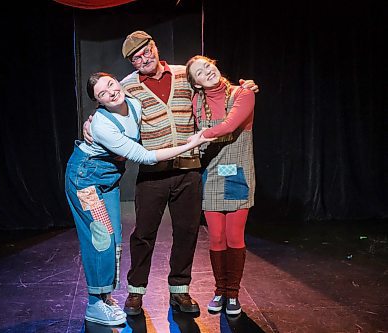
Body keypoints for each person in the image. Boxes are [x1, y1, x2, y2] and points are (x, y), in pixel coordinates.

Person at [83, 30, 258, 316]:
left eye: (146, 50)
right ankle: (136, 291)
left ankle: (180, 290)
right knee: (144, 235)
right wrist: (90, 123)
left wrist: (245, 86)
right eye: (136, 57)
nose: (144, 58)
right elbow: (109, 108)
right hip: (153, 173)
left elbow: (215, 89)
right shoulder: (126, 86)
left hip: (189, 170)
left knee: (187, 232)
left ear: (155, 47)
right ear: (131, 62)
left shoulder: (183, 75)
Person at [65, 72, 213, 326]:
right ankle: (94, 303)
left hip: (108, 180)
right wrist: (190, 145)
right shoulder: (101, 124)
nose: (111, 92)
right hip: (86, 180)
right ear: (99, 102)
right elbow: (144, 156)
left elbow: (139, 73)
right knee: (101, 239)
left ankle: (104, 297)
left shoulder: (132, 102)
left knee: (114, 239)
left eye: (111, 84)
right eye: (103, 94)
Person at [185, 55, 256, 316]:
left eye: (208, 66)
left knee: (234, 236)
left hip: (237, 172)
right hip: (212, 174)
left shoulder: (243, 93)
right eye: (200, 73)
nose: (208, 72)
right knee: (216, 237)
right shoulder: (196, 102)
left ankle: (233, 294)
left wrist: (201, 135)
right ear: (197, 84)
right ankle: (219, 290)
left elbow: (229, 125)